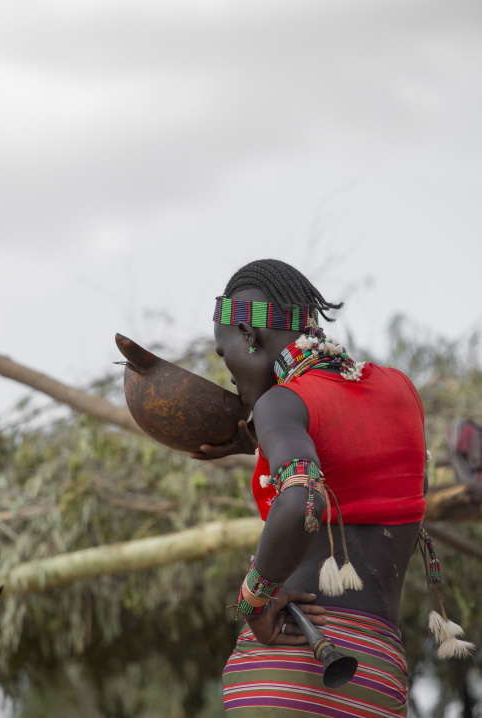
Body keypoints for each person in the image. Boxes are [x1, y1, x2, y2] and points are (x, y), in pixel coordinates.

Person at [192, 259, 427, 716]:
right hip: (378, 675)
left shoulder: (281, 404)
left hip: (290, 671)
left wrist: (255, 601)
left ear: (248, 335)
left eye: (225, 356)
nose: (231, 378)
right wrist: (266, 436)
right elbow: (363, 471)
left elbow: (302, 497)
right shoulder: (401, 392)